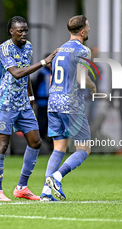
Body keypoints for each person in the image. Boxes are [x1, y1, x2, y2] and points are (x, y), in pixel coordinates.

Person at [0, 16, 57, 201]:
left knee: (35, 142)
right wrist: (43, 63)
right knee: (2, 144)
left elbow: (26, 73)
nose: (24, 34)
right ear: (11, 31)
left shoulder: (28, 47)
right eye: (20, 31)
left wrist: (31, 96)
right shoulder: (4, 48)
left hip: (23, 103)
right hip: (6, 102)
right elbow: (17, 72)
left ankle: (21, 187)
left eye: (25, 30)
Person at [40, 15, 96, 201]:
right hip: (71, 104)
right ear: (82, 31)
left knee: (59, 148)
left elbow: (51, 78)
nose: (89, 30)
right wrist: (93, 86)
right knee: (84, 149)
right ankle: (56, 177)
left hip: (53, 102)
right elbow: (82, 79)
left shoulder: (58, 51)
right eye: (88, 27)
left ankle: (46, 193)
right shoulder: (83, 50)